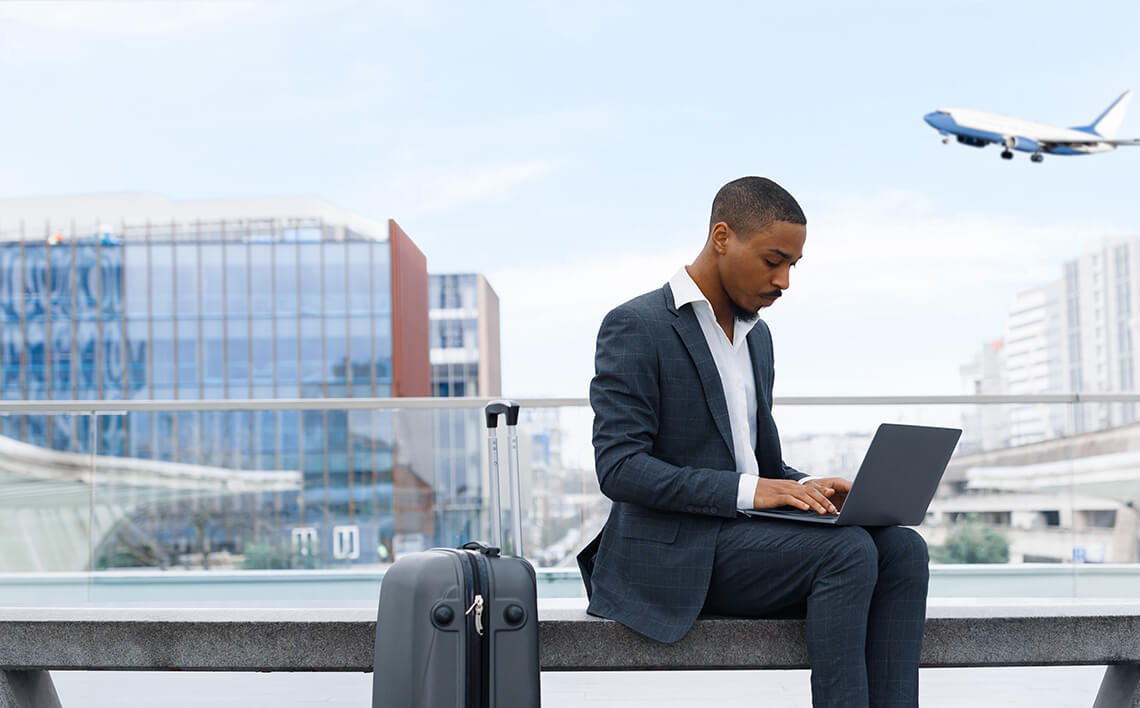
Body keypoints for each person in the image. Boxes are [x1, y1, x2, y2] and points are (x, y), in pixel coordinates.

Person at [577, 176, 929, 708]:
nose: (784, 280)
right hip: (674, 552)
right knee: (848, 552)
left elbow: (762, 463)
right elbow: (621, 469)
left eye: (793, 265)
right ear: (723, 237)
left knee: (904, 548)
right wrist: (752, 491)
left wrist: (807, 487)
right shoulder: (636, 326)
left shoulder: (756, 336)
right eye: (773, 260)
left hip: (751, 539)